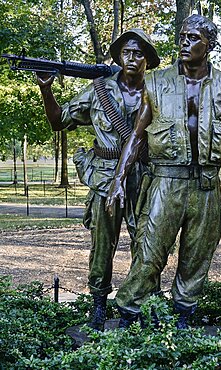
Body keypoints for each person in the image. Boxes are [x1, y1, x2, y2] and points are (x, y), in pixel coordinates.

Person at [106, 14, 221, 329]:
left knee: (198, 255)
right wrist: (118, 180)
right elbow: (137, 136)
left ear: (209, 45)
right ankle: (130, 313)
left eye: (193, 38)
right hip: (166, 181)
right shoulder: (156, 83)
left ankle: (184, 313)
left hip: (207, 184)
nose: (184, 43)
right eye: (182, 36)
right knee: (150, 251)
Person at [36, 29, 160, 331]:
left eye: (138, 53)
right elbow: (59, 122)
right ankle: (99, 306)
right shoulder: (98, 90)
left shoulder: (158, 90)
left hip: (144, 177)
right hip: (105, 177)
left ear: (147, 59)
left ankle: (143, 304)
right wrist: (46, 90)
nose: (131, 58)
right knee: (103, 244)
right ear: (118, 57)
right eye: (126, 52)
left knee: (146, 244)